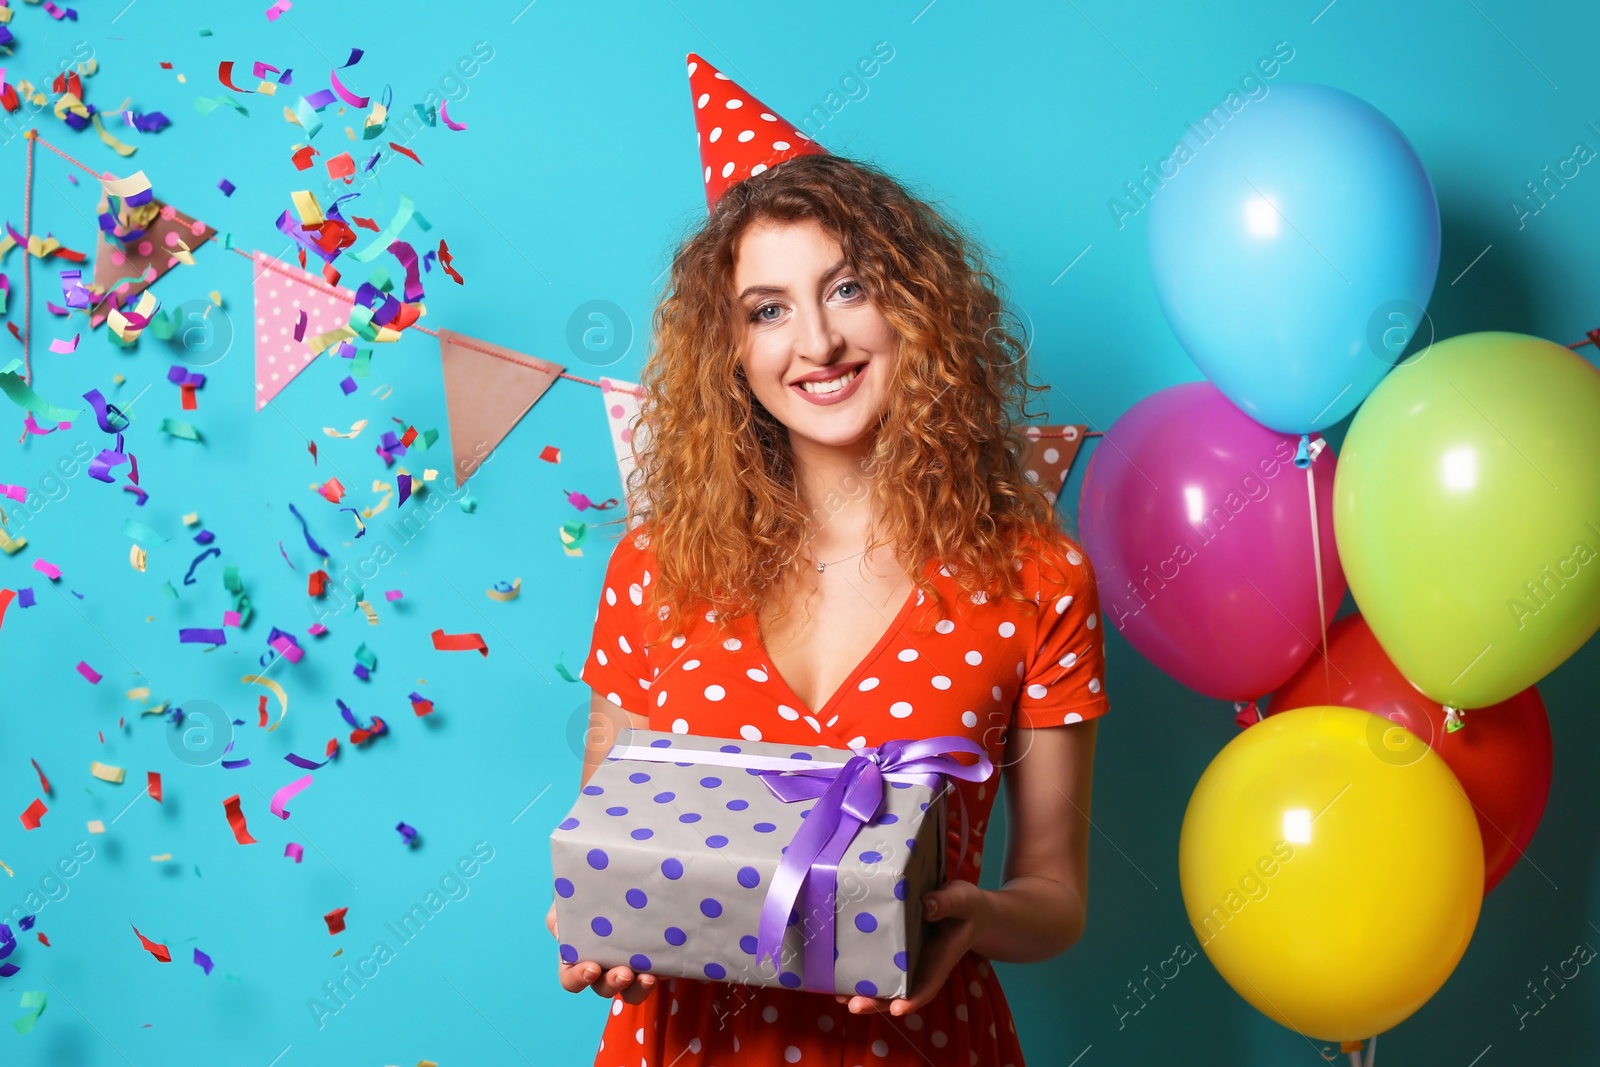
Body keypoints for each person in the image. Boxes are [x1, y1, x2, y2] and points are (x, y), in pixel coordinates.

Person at [547, 54, 1110, 1067]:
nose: (815, 340)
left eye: (846, 289)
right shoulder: (654, 567)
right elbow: (603, 849)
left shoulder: (1038, 574)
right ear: (729, 346)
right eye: (767, 308)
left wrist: (972, 916)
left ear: (915, 308)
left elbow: (1055, 896)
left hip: (921, 1042)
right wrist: (595, 938)